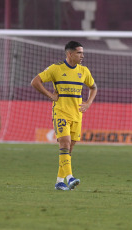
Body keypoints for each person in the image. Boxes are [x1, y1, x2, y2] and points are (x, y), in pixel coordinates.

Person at [31, 41, 97, 191]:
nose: (82, 56)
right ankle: (70, 177)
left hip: (77, 115)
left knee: (69, 149)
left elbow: (93, 87)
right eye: (79, 53)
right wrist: (50, 95)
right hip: (61, 112)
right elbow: (35, 81)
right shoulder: (56, 69)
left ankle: (59, 181)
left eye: (82, 53)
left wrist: (88, 103)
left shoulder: (84, 71)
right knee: (65, 143)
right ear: (70, 54)